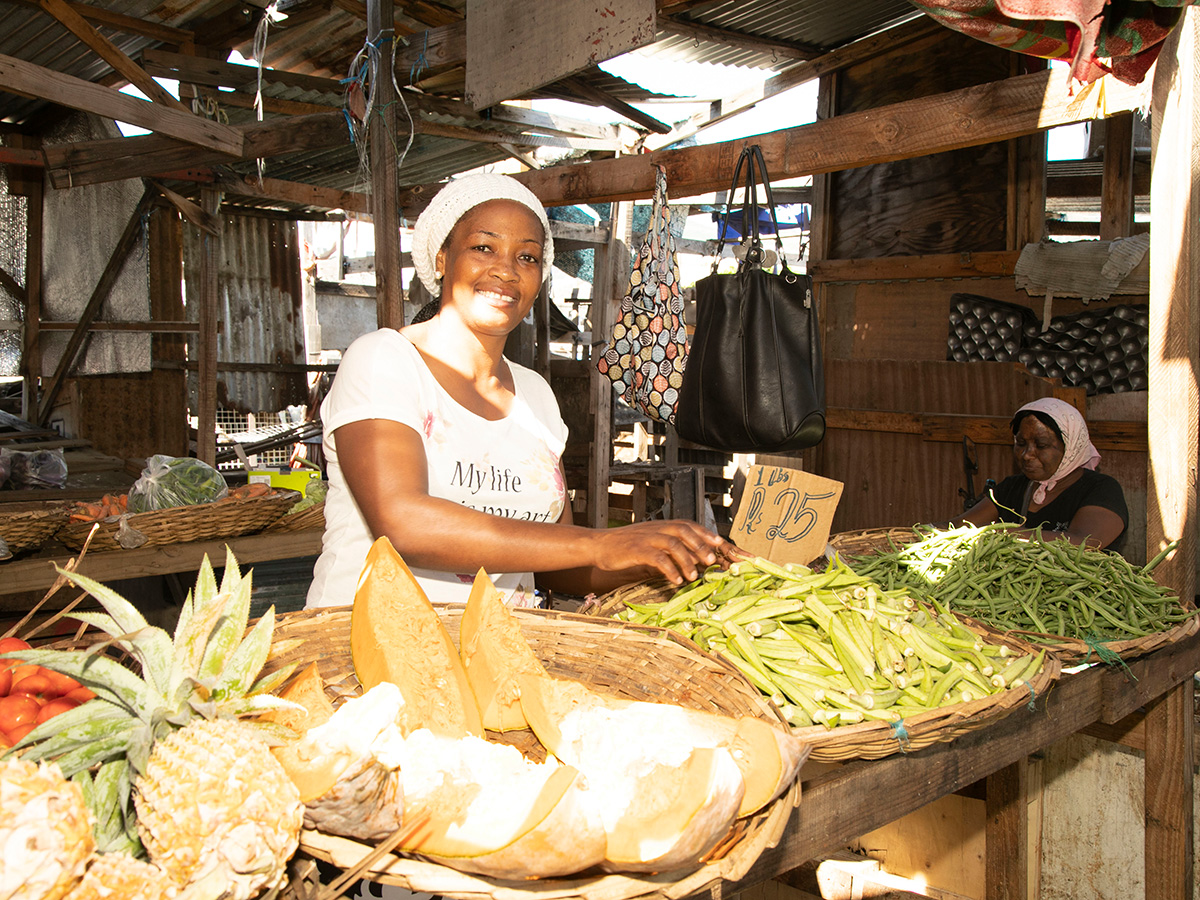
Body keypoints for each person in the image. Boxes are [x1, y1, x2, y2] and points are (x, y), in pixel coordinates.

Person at [306, 173, 740, 609]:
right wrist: (598, 543)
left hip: (496, 655)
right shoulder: (386, 360)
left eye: (528, 257)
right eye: (483, 247)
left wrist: (667, 556)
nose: (506, 270)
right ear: (441, 259)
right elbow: (404, 523)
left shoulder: (534, 395)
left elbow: (559, 565)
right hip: (369, 646)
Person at [956, 397, 1127, 550]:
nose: (1027, 454)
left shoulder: (1101, 490)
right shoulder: (1012, 488)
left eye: (1042, 445)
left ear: (1071, 447)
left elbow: (1085, 543)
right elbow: (958, 527)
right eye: (1021, 443)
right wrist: (931, 532)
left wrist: (1006, 534)